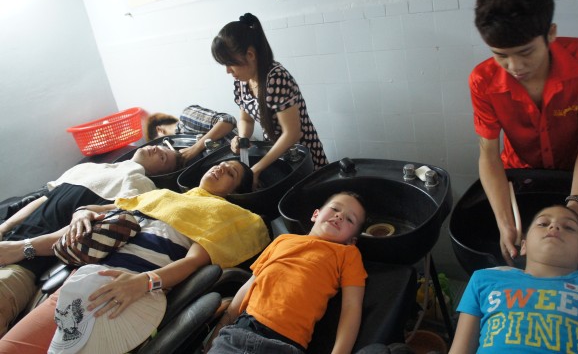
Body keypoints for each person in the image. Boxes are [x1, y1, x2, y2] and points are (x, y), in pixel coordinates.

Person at [0, 160, 271, 353]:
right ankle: (24, 247)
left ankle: (23, 247)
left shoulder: (224, 215)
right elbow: (105, 208)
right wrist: (82, 211)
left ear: (235, 191)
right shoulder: (163, 195)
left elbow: (193, 263)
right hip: (86, 277)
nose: (221, 167)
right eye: (221, 164)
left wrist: (142, 283)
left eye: (231, 173)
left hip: (127, 290)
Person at [470, 0, 578, 265]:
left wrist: (577, 202)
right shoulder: (483, 80)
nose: (515, 67)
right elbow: (488, 154)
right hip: (521, 172)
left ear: (550, 33)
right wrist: (505, 223)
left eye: (526, 52)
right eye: (500, 55)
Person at [0, 145, 182, 337]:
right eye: (158, 146)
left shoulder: (142, 188)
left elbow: (85, 231)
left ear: (165, 173)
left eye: (163, 157)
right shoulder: (87, 168)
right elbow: (43, 199)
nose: (156, 150)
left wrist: (24, 248)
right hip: (9, 241)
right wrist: (4, 228)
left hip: (27, 263)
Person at [207, 191, 367, 354]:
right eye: (335, 209)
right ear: (315, 214)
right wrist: (219, 329)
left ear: (351, 241)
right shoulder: (282, 240)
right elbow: (250, 285)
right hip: (238, 333)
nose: (340, 216)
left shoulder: (348, 254)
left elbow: (351, 307)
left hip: (284, 346)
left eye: (350, 219)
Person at [449, 205, 578, 353]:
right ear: (524, 246)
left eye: (569, 227)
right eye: (543, 223)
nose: (554, 226)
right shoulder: (484, 280)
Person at [212, 12, 328, 188]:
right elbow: (245, 119)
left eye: (230, 63)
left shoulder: (276, 78)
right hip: (274, 152)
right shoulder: (243, 81)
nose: (228, 70)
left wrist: (257, 168)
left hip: (301, 155)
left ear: (250, 54)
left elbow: (292, 134)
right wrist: (242, 138)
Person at [145, 105, 239, 163]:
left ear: (160, 130)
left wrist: (195, 148)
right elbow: (215, 145)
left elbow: (228, 120)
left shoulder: (186, 118)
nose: (162, 149)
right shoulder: (181, 150)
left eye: (159, 142)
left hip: (243, 153)